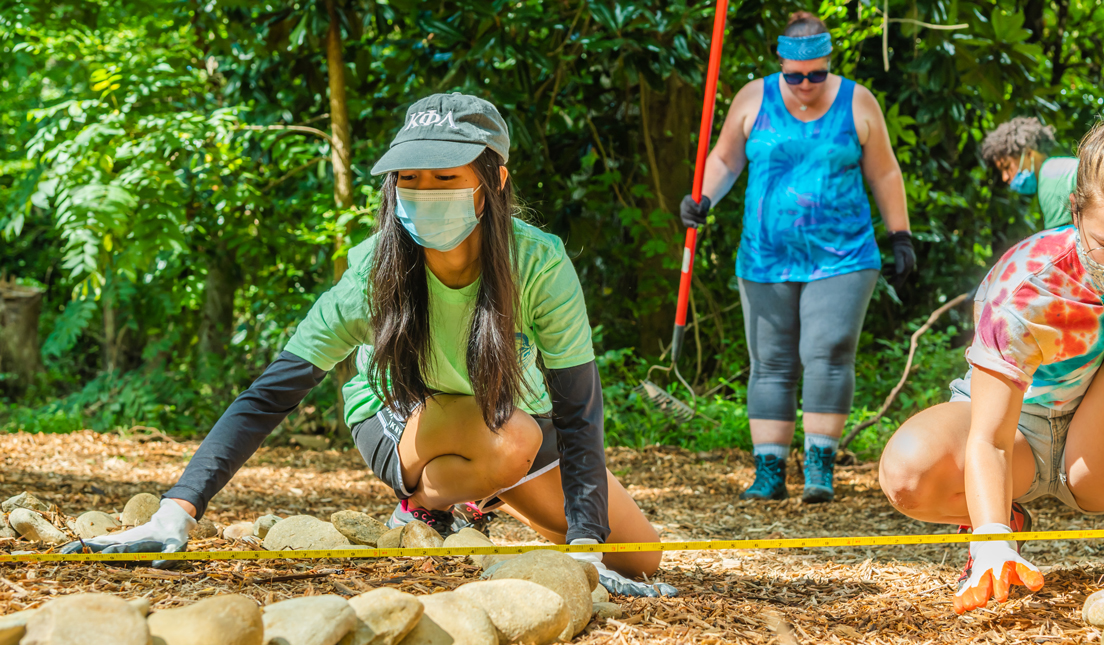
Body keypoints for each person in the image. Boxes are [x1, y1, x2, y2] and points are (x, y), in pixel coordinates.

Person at [61, 93, 675, 598]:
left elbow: (577, 407)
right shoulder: (374, 273)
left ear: (493, 180)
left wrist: (588, 550)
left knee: (639, 556)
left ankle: (474, 493)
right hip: (406, 420)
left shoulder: (539, 264)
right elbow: (270, 394)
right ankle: (427, 503)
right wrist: (176, 511)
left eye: (447, 176)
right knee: (509, 436)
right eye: (410, 177)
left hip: (515, 417)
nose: (425, 190)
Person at [878, 65, 1104, 613]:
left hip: (1099, 450)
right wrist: (993, 537)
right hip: (1016, 431)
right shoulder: (1025, 287)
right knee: (907, 472)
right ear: (1075, 214)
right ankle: (1002, 513)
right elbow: (990, 437)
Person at [679, 12, 914, 504]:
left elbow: (886, 173)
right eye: (795, 76)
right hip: (765, 257)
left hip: (843, 256)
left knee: (827, 353)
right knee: (770, 362)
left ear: (828, 65)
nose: (805, 85)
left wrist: (901, 236)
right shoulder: (753, 98)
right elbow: (724, 158)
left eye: (815, 75)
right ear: (781, 66)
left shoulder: (857, 101)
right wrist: (702, 198)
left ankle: (820, 468)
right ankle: (769, 473)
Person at [981, 116, 1078, 230]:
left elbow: (1063, 242)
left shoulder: (1050, 177)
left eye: (1007, 167)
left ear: (1028, 153)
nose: (1004, 177)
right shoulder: (1059, 166)